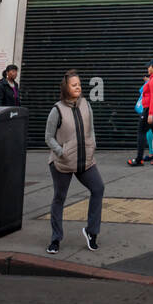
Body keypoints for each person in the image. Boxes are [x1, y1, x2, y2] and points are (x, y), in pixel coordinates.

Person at [45, 68, 103, 253]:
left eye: (79, 84)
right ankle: (55, 239)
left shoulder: (86, 104)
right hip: (62, 163)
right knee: (59, 198)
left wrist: (92, 144)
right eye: (74, 85)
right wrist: (61, 152)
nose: (78, 87)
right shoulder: (57, 110)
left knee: (98, 188)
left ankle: (91, 232)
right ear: (66, 88)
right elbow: (48, 137)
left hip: (85, 161)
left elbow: (91, 129)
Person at [129, 59, 153, 166]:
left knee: (141, 131)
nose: (147, 68)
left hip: (152, 108)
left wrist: (150, 114)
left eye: (149, 66)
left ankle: (139, 159)